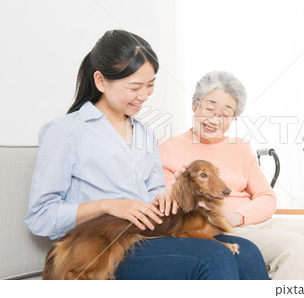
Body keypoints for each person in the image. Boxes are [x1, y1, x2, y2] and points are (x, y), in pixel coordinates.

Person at [25, 30, 269, 280]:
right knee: (214, 256)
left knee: (247, 252)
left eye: (150, 85)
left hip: (149, 235)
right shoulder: (64, 131)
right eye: (134, 87)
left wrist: (172, 193)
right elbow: (41, 217)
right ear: (100, 81)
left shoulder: (144, 133)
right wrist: (109, 205)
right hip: (104, 242)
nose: (144, 96)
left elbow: (153, 194)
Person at [159, 70, 304, 280]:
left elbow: (266, 197)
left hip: (251, 221)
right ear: (195, 105)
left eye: (225, 114)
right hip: (215, 228)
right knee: (297, 248)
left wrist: (237, 216)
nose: (215, 118)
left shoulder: (240, 147)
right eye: (210, 107)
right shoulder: (168, 146)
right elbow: (168, 204)